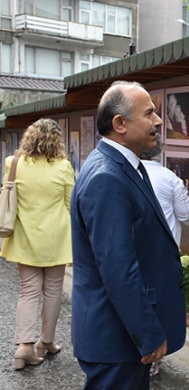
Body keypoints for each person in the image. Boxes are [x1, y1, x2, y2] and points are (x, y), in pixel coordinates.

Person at [70, 81, 186, 389]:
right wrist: (147, 333)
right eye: (149, 113)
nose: (159, 122)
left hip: (118, 336)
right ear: (120, 123)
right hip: (115, 338)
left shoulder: (124, 167)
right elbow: (117, 267)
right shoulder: (107, 176)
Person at [1, 119, 75, 370]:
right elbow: (70, 205)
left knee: (29, 291)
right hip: (56, 237)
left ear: (28, 138)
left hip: (25, 238)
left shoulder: (14, 163)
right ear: (57, 141)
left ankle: (24, 347)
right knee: (53, 291)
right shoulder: (64, 167)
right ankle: (46, 341)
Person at [139, 134, 189, 378]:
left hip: (134, 251)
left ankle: (135, 350)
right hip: (163, 254)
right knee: (158, 305)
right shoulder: (170, 178)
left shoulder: (126, 175)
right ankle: (152, 358)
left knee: (135, 300)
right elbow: (186, 215)